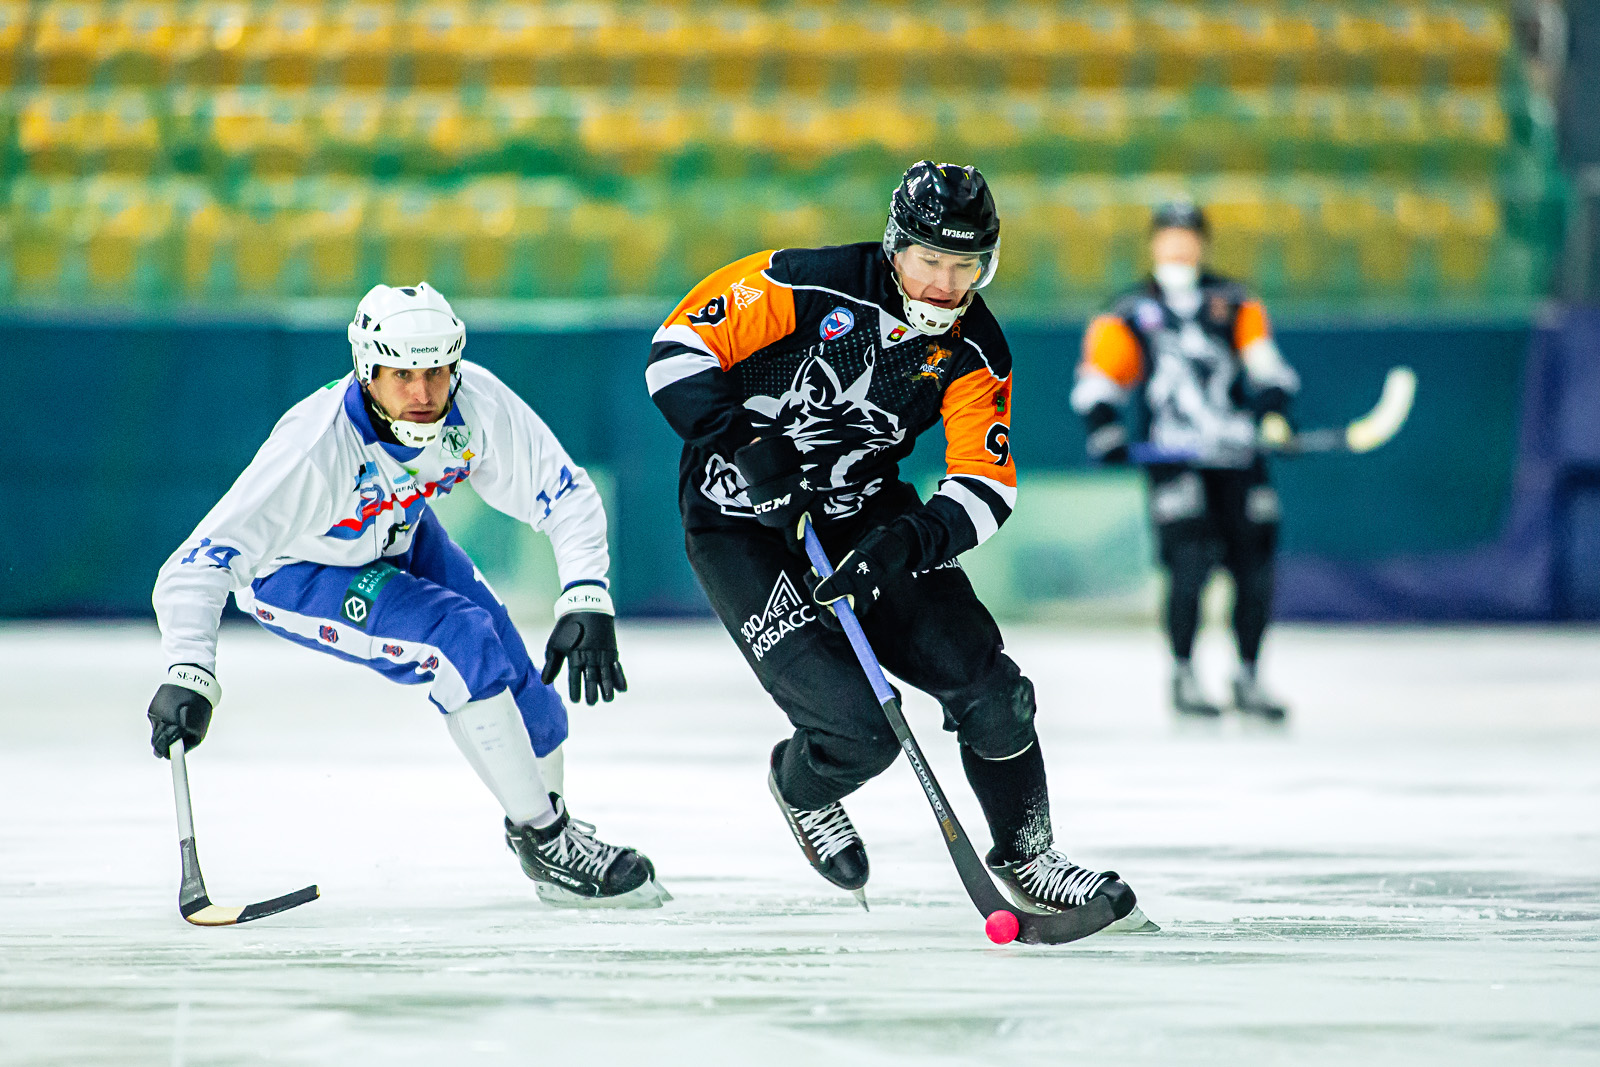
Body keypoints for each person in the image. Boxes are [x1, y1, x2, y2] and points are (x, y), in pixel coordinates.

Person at [646, 160, 1142, 924]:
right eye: (930, 261)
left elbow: (987, 485)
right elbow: (675, 352)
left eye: (966, 265)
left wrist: (898, 548)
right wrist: (753, 449)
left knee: (994, 694)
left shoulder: (976, 349)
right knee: (858, 733)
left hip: (865, 515)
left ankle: (1029, 854)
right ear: (895, 246)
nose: (946, 283)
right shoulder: (803, 282)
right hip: (738, 520)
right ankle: (799, 783)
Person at [147, 282, 668, 908]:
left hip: (400, 536)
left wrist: (586, 595)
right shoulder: (314, 449)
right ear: (367, 372)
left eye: (435, 373)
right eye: (401, 376)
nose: (423, 395)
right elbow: (196, 563)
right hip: (303, 571)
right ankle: (545, 838)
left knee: (532, 696)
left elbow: (563, 491)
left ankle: (550, 834)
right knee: (460, 638)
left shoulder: (475, 401)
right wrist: (189, 671)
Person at [1073, 200, 1300, 721]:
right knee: (1189, 563)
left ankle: (1247, 675)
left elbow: (1266, 367)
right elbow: (1100, 379)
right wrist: (1105, 427)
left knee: (1255, 564)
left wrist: (1271, 412)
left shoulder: (1235, 301)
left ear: (1203, 242)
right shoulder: (1127, 310)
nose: (1179, 245)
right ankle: (1183, 674)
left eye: (1188, 235)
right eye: (1169, 235)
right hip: (1174, 458)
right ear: (1154, 243)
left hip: (1237, 454)